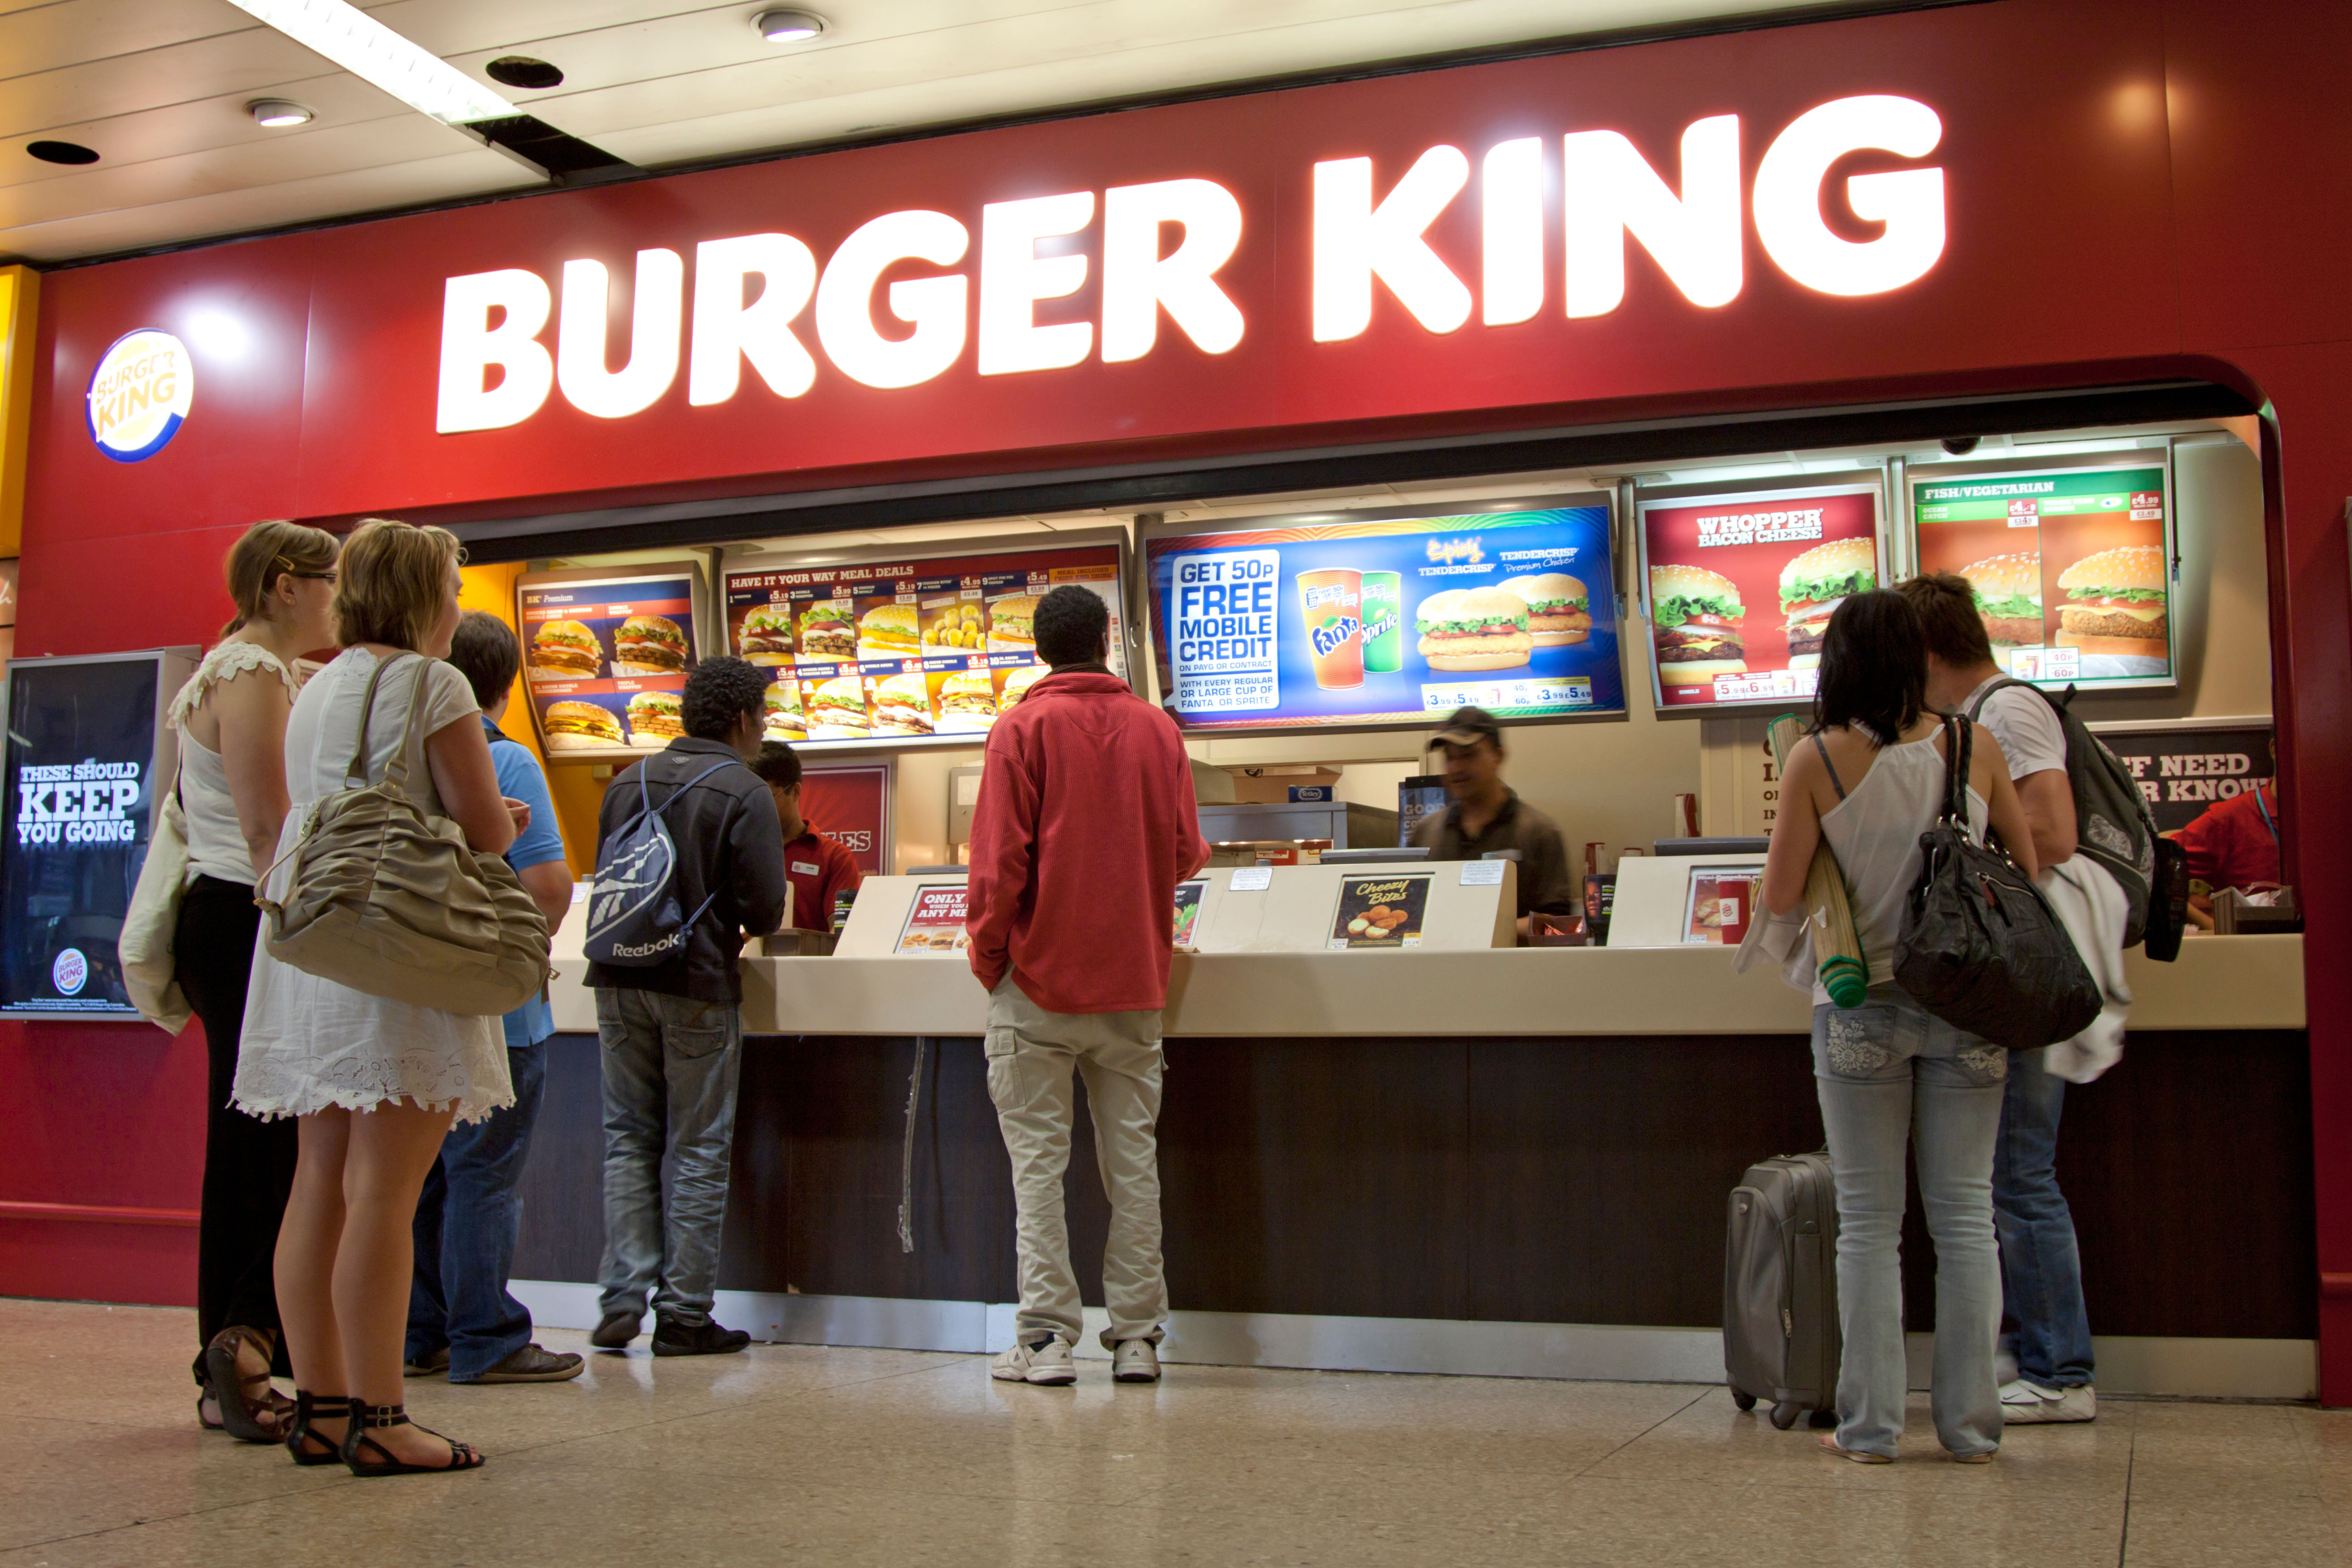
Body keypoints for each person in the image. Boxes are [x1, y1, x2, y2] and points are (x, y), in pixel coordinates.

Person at [234, 518, 523, 1475]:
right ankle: (382, 1413)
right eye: (450, 586)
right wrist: (507, 814)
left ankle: (318, 1401)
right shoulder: (432, 681)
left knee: (317, 1179)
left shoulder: (317, 683)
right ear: (425, 594)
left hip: (312, 948)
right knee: (387, 1193)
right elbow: (482, 829)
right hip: (399, 950)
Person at [1760, 589, 2038, 1464]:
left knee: (1870, 1224)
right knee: (1965, 1217)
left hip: (1858, 1008)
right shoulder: (1974, 742)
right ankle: (1970, 1426)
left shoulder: (1815, 758)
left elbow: (1778, 894)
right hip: (1967, 1004)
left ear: (1837, 661)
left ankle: (1873, 1425)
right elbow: (2026, 869)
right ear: (1919, 657)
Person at [966, 585, 1209, 1387]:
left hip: (1037, 985)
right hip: (1135, 984)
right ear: (1108, 640)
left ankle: (1044, 1342)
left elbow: (999, 864)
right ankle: (1137, 1337)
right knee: (1131, 1162)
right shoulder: (1158, 729)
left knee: (1038, 1165)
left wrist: (990, 956)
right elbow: (1186, 852)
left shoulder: (1020, 729)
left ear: (1039, 648)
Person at [1902, 571, 2099, 1425]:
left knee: (2020, 1173)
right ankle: (2036, 1355)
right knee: (2009, 1172)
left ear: (1928, 652)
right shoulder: (1977, 716)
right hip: (2014, 975)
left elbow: (2053, 833)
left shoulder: (2004, 710)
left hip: (2022, 974)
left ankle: (2060, 1371)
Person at [169, 520, 339, 1441]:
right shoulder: (249, 673)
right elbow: (269, 826)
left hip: (236, 916)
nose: (337, 601)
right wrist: (312, 928)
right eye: (327, 583)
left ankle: (236, 1355)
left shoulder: (253, 668)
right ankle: (232, 1356)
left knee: (262, 1140)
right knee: (255, 1141)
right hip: (246, 920)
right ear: (283, 585)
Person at [585, 657, 787, 1358]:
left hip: (615, 977)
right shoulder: (745, 791)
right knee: (699, 1147)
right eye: (762, 714)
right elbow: (763, 910)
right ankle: (684, 1313)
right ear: (740, 720)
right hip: (696, 981)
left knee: (627, 1137)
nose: (765, 727)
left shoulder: (624, 782)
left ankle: (620, 1297)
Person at [402, 613, 582, 1386]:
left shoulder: (399, 756)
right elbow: (548, 889)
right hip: (499, 1017)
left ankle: (422, 1331)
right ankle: (487, 1334)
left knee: (418, 1178)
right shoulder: (504, 762)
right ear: (508, 684)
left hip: (412, 1004)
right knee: (486, 1177)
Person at [1410, 707, 1577, 941]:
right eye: (1450, 757)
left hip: (1516, 974)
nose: (1456, 768)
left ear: (1498, 756)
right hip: (1441, 974)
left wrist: (1478, 929)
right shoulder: (1426, 834)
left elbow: (1556, 924)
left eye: (1469, 755)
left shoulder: (1539, 832)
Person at [748, 741, 863, 931]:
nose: (756, 808)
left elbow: (841, 930)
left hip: (805, 960)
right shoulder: (735, 850)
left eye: (766, 798)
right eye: (750, 799)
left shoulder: (834, 857)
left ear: (795, 792)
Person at [2170, 777, 2281, 929]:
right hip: (2259, 948)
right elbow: (2155, 872)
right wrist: (2212, 926)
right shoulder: (2230, 818)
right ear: (2274, 752)